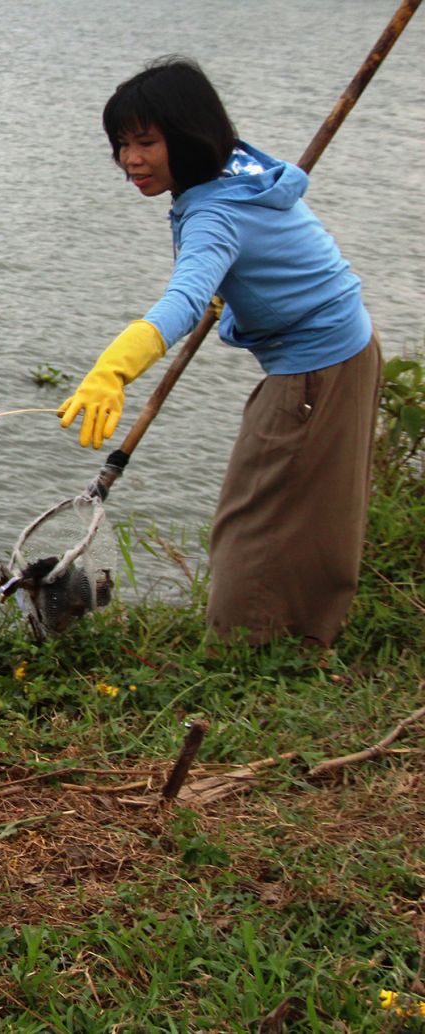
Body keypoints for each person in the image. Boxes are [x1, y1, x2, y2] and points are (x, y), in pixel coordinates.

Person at [56, 57, 381, 648]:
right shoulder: (242, 167)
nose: (130, 159)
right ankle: (303, 639)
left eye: (147, 142)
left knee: (253, 519)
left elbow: (182, 299)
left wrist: (114, 370)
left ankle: (241, 652)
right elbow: (264, 263)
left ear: (188, 136)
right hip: (345, 350)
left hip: (315, 369)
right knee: (315, 509)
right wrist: (230, 298)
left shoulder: (212, 212)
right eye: (122, 143)